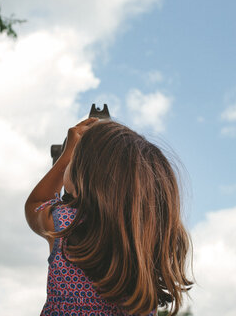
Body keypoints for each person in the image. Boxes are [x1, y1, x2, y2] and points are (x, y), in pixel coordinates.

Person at [25, 117, 193, 316]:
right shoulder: (147, 246)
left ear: (85, 183)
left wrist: (64, 157)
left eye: (74, 160)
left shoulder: (65, 225)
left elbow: (36, 203)